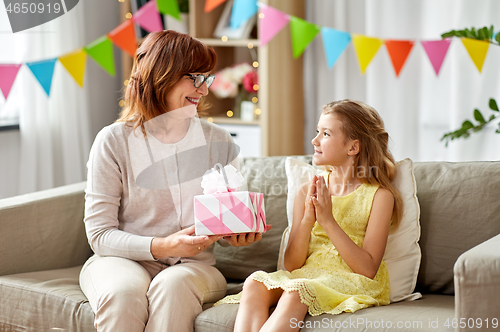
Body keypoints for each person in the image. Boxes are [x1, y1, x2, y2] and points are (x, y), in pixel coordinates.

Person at [79, 30, 263, 332]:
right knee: (123, 293)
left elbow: (229, 216)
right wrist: (164, 246)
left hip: (193, 268)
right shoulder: (112, 141)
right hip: (120, 259)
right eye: (195, 78)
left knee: (173, 287)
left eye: (208, 78)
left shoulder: (218, 141)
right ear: (161, 75)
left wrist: (239, 231)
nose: (204, 90)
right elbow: (100, 235)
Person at [216, 99, 403, 331]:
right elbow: (292, 265)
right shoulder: (307, 190)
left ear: (353, 147)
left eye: (325, 134)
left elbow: (367, 269)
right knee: (254, 282)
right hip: (307, 275)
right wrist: (307, 220)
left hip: (351, 280)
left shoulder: (379, 196)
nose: (314, 140)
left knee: (296, 292)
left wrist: (327, 220)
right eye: (318, 131)